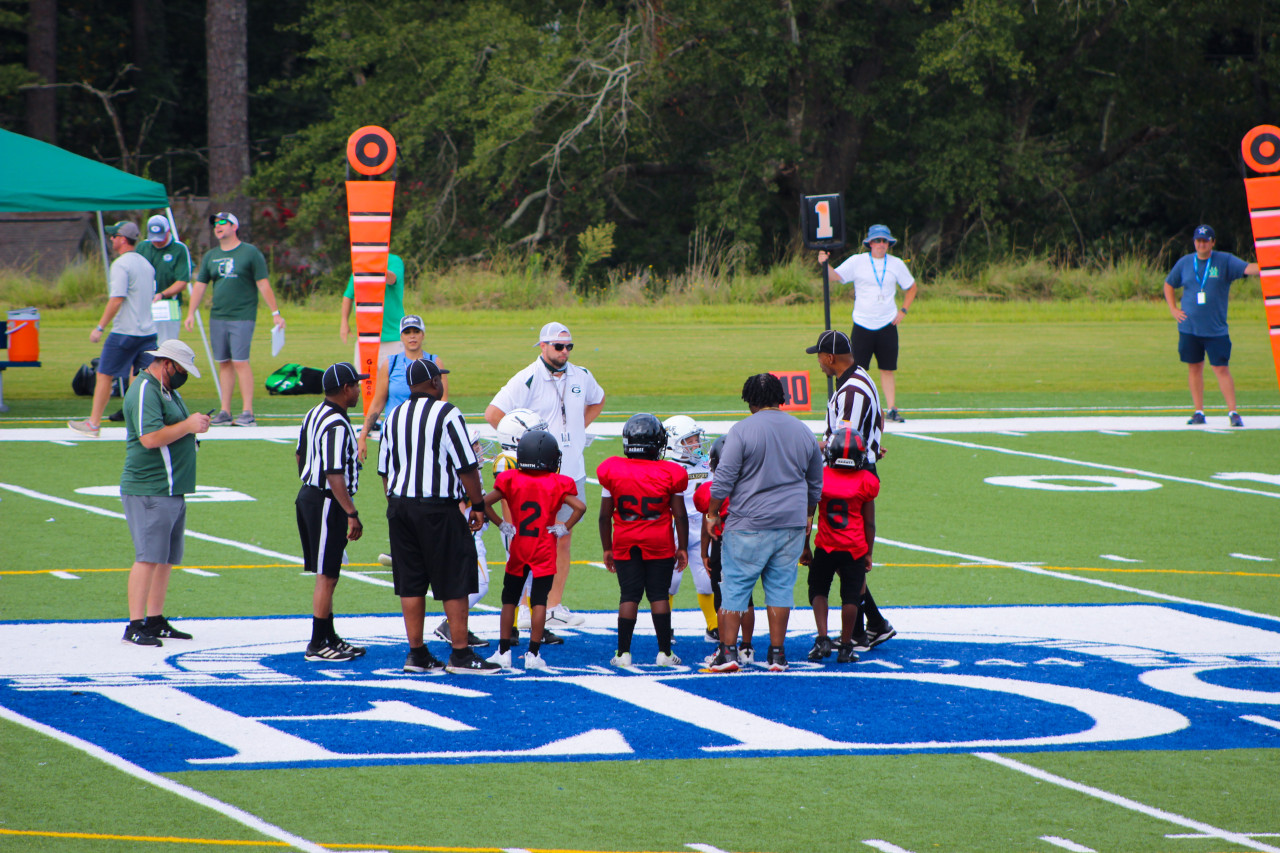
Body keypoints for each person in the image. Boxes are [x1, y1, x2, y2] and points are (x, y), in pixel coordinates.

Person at [377, 357, 500, 674]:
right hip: (438, 508)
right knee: (455, 579)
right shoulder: (447, 413)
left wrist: (397, 504)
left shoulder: (394, 416)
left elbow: (385, 471)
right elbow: (467, 465)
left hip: (400, 506)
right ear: (434, 383)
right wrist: (477, 505)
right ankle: (460, 654)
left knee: (411, 583)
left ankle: (416, 654)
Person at [485, 321, 606, 628]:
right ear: (542, 346)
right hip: (534, 476)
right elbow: (494, 413)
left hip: (572, 471)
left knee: (562, 536)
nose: (564, 352)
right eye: (558, 346)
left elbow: (598, 399)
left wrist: (576, 430)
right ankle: (524, 606)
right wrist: (525, 449)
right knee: (525, 539)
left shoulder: (582, 375)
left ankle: (554, 604)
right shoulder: (527, 378)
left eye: (569, 346)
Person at [705, 374, 823, 673]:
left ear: (750, 401)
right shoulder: (803, 430)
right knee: (781, 589)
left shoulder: (742, 430)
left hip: (749, 521)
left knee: (735, 588)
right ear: (780, 397)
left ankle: (728, 652)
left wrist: (713, 513)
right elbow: (815, 484)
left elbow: (724, 479)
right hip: (791, 522)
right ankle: (777, 654)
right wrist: (807, 518)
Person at [117, 339, 210, 645]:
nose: (183, 375)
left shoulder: (166, 389)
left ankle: (154, 619)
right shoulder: (146, 389)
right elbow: (149, 438)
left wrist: (192, 427)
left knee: (165, 557)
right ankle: (134, 624)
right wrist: (188, 425)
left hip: (171, 488)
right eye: (182, 369)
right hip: (150, 486)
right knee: (147, 556)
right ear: (167, 363)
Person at [809, 328, 895, 651]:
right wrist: (873, 445)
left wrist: (811, 446)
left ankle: (859, 631)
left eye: (819, 356)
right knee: (851, 554)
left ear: (830, 357)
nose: (818, 362)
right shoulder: (861, 379)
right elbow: (877, 422)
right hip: (859, 468)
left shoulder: (850, 392)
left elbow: (842, 445)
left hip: (850, 475)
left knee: (847, 551)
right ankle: (873, 624)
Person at [482, 429, 586, 671]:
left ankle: (503, 651)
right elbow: (579, 507)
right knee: (539, 602)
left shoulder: (510, 479)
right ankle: (533, 654)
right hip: (544, 548)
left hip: (520, 546)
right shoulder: (558, 483)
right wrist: (565, 526)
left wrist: (501, 524)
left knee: (510, 601)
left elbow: (485, 502)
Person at [597, 413, 689, 666]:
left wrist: (607, 548)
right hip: (659, 539)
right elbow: (680, 516)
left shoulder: (612, 469)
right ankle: (665, 653)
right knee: (659, 595)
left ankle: (623, 654)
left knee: (629, 595)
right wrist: (682, 547)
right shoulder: (671, 472)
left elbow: (604, 517)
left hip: (625, 540)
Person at [295, 362, 369, 662]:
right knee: (327, 574)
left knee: (331, 571)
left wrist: (308, 481)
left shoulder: (315, 412)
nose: (359, 390)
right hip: (327, 500)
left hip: (315, 496)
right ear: (345, 389)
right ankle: (317, 643)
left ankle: (328, 635)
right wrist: (350, 512)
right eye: (356, 385)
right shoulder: (337, 424)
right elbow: (333, 472)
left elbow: (300, 454)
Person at [183, 212, 286, 427]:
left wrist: (275, 313)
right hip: (218, 316)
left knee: (240, 361)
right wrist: (191, 312)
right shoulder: (211, 255)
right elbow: (200, 285)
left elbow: (263, 284)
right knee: (224, 363)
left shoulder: (250, 253)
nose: (217, 227)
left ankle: (247, 412)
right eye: (215, 224)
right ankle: (225, 411)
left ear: (234, 226)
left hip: (242, 316)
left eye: (222, 222)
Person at [817, 224, 918, 423]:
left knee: (887, 368)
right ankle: (856, 406)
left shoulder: (896, 263)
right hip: (862, 323)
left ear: (889, 243)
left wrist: (903, 310)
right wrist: (824, 262)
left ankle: (891, 409)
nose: (881, 244)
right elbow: (835, 276)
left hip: (887, 323)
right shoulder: (858, 261)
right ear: (869, 243)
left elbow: (911, 287)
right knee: (856, 369)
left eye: (884, 241)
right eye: (877, 241)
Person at [1163, 224, 1260, 427]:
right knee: (1194, 367)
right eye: (1198, 240)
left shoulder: (1223, 261)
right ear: (1194, 242)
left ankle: (1233, 412)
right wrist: (1173, 309)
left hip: (1215, 329)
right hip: (1190, 327)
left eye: (1205, 241)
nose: (1201, 244)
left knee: (1221, 368)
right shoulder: (1185, 262)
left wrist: (1269, 264)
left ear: (1212, 242)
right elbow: (1169, 283)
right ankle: (1199, 411)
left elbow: (1248, 268)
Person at [68, 221, 158, 438]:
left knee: (104, 375)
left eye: (114, 236)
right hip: (148, 333)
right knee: (140, 379)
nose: (111, 239)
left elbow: (117, 299)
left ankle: (93, 424)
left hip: (125, 332)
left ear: (123, 239)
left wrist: (100, 327)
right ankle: (139, 425)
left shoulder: (120, 264)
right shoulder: (147, 264)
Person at [799, 427, 879, 664]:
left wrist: (805, 546)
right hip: (854, 547)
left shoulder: (821, 477)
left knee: (818, 589)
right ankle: (845, 646)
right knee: (851, 597)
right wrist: (869, 553)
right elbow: (870, 523)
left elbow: (808, 518)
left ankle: (823, 639)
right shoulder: (866, 480)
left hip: (826, 545)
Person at [694, 435, 757, 664]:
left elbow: (706, 524)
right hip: (749, 543)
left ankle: (725, 647)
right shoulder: (753, 487)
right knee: (746, 597)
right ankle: (747, 647)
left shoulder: (709, 490)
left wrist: (704, 552)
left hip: (723, 546)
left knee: (722, 598)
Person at [356, 314, 447, 462]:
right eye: (407, 332)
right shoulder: (390, 364)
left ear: (423, 335)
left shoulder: (434, 362)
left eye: (416, 332)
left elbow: (443, 402)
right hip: (395, 433)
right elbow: (378, 403)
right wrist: (363, 436)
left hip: (425, 434)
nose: (412, 336)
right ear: (401, 336)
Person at [662, 414, 718, 642]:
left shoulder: (707, 462)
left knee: (708, 580)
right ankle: (664, 625)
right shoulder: (666, 467)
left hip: (703, 528)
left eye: (696, 438)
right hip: (677, 528)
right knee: (670, 582)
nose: (697, 444)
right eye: (690, 440)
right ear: (673, 444)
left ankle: (713, 625)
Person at [137, 214, 194, 344]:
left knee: (167, 345)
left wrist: (162, 294)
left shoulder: (179, 249)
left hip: (169, 304)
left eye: (160, 238)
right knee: (143, 345)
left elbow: (182, 281)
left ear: (168, 231)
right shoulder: (142, 247)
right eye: (154, 238)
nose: (157, 241)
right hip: (144, 303)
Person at [340, 252, 406, 362]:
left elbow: (392, 279)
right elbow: (349, 295)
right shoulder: (361, 264)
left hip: (393, 337)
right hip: (366, 337)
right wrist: (344, 322)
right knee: (365, 378)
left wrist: (374, 265)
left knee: (394, 377)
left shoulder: (394, 260)